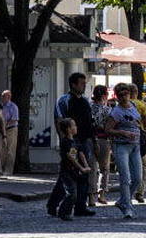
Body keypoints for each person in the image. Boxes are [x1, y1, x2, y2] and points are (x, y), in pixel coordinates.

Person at [49, 72, 95, 218]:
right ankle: (53, 204)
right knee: (69, 174)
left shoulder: (85, 101)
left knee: (83, 174)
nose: (84, 86)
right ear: (73, 84)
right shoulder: (64, 100)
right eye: (81, 83)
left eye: (84, 83)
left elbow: (89, 122)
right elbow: (59, 120)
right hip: (71, 142)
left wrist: (92, 140)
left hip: (84, 141)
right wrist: (65, 140)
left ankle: (81, 206)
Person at [104, 83, 142, 219]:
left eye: (125, 94)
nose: (124, 97)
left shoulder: (134, 105)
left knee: (138, 178)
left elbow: (138, 120)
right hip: (121, 146)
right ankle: (127, 206)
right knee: (125, 177)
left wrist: (141, 125)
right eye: (120, 95)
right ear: (117, 97)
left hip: (135, 146)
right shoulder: (115, 112)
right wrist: (122, 132)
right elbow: (107, 130)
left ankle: (122, 200)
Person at [50, 118, 91, 220]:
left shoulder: (75, 141)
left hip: (73, 172)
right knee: (72, 193)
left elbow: (80, 153)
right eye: (74, 126)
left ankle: (53, 207)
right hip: (66, 172)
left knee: (62, 191)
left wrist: (86, 166)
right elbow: (71, 158)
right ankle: (63, 212)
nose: (76, 127)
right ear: (68, 129)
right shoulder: (66, 142)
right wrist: (81, 168)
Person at [127, 84, 146, 203]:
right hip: (139, 135)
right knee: (143, 165)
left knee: (127, 164)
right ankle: (140, 192)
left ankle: (128, 193)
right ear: (137, 92)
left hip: (125, 136)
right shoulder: (142, 104)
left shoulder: (122, 104)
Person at [89, 85, 111, 206]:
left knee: (92, 168)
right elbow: (109, 126)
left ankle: (91, 197)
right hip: (103, 139)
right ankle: (102, 194)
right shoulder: (107, 110)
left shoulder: (88, 107)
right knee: (105, 169)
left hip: (90, 139)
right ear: (104, 96)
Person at [0, 90, 19, 176]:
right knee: (1, 149)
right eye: (2, 96)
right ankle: (0, 169)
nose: (2, 97)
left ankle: (8, 170)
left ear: (9, 97)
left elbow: (14, 119)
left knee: (10, 149)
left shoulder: (13, 106)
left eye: (4, 96)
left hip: (11, 129)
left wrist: (5, 125)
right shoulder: (0, 106)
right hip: (1, 129)